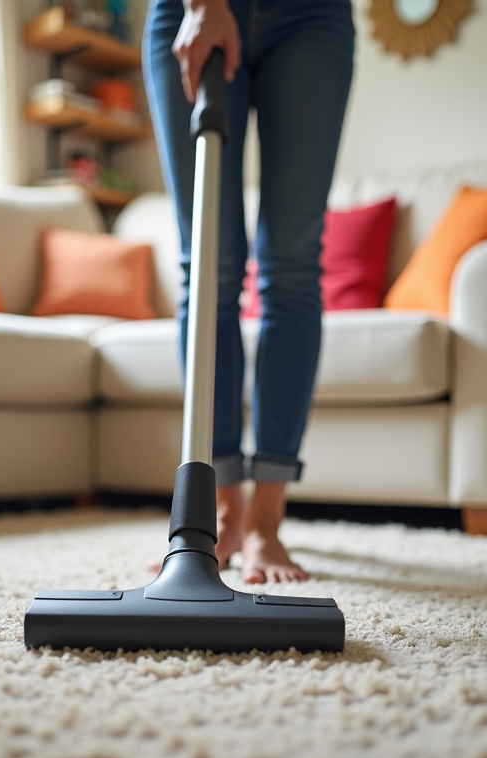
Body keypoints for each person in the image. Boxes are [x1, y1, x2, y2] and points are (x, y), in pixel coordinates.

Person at [143, 0, 354, 584]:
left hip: (313, 17)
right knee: (209, 264)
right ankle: (224, 512)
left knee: (291, 265)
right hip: (193, 9)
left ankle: (266, 520)